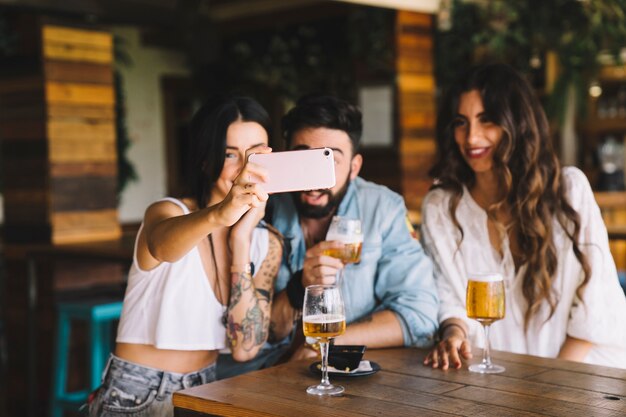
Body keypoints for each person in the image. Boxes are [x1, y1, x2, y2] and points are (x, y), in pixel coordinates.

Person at [421, 63, 626, 370]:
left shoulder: (569, 190)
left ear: (517, 125)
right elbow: (448, 296)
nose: (471, 137)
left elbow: (596, 305)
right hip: (493, 375)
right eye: (461, 122)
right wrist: (453, 333)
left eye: (487, 120)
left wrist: (548, 384)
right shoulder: (441, 207)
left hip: (583, 370)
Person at [217, 95, 438, 378]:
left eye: (329, 159)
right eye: (303, 156)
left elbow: (419, 316)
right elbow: (254, 333)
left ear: (354, 167)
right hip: (258, 376)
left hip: (351, 379)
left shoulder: (383, 209)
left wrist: (326, 342)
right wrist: (299, 288)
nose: (315, 177)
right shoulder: (259, 206)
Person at [88, 96, 282, 416]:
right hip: (138, 392)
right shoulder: (168, 211)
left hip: (205, 390)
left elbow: (246, 348)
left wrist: (242, 238)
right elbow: (162, 247)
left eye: (257, 153)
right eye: (229, 154)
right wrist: (221, 214)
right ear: (206, 161)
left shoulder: (263, 241)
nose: (246, 168)